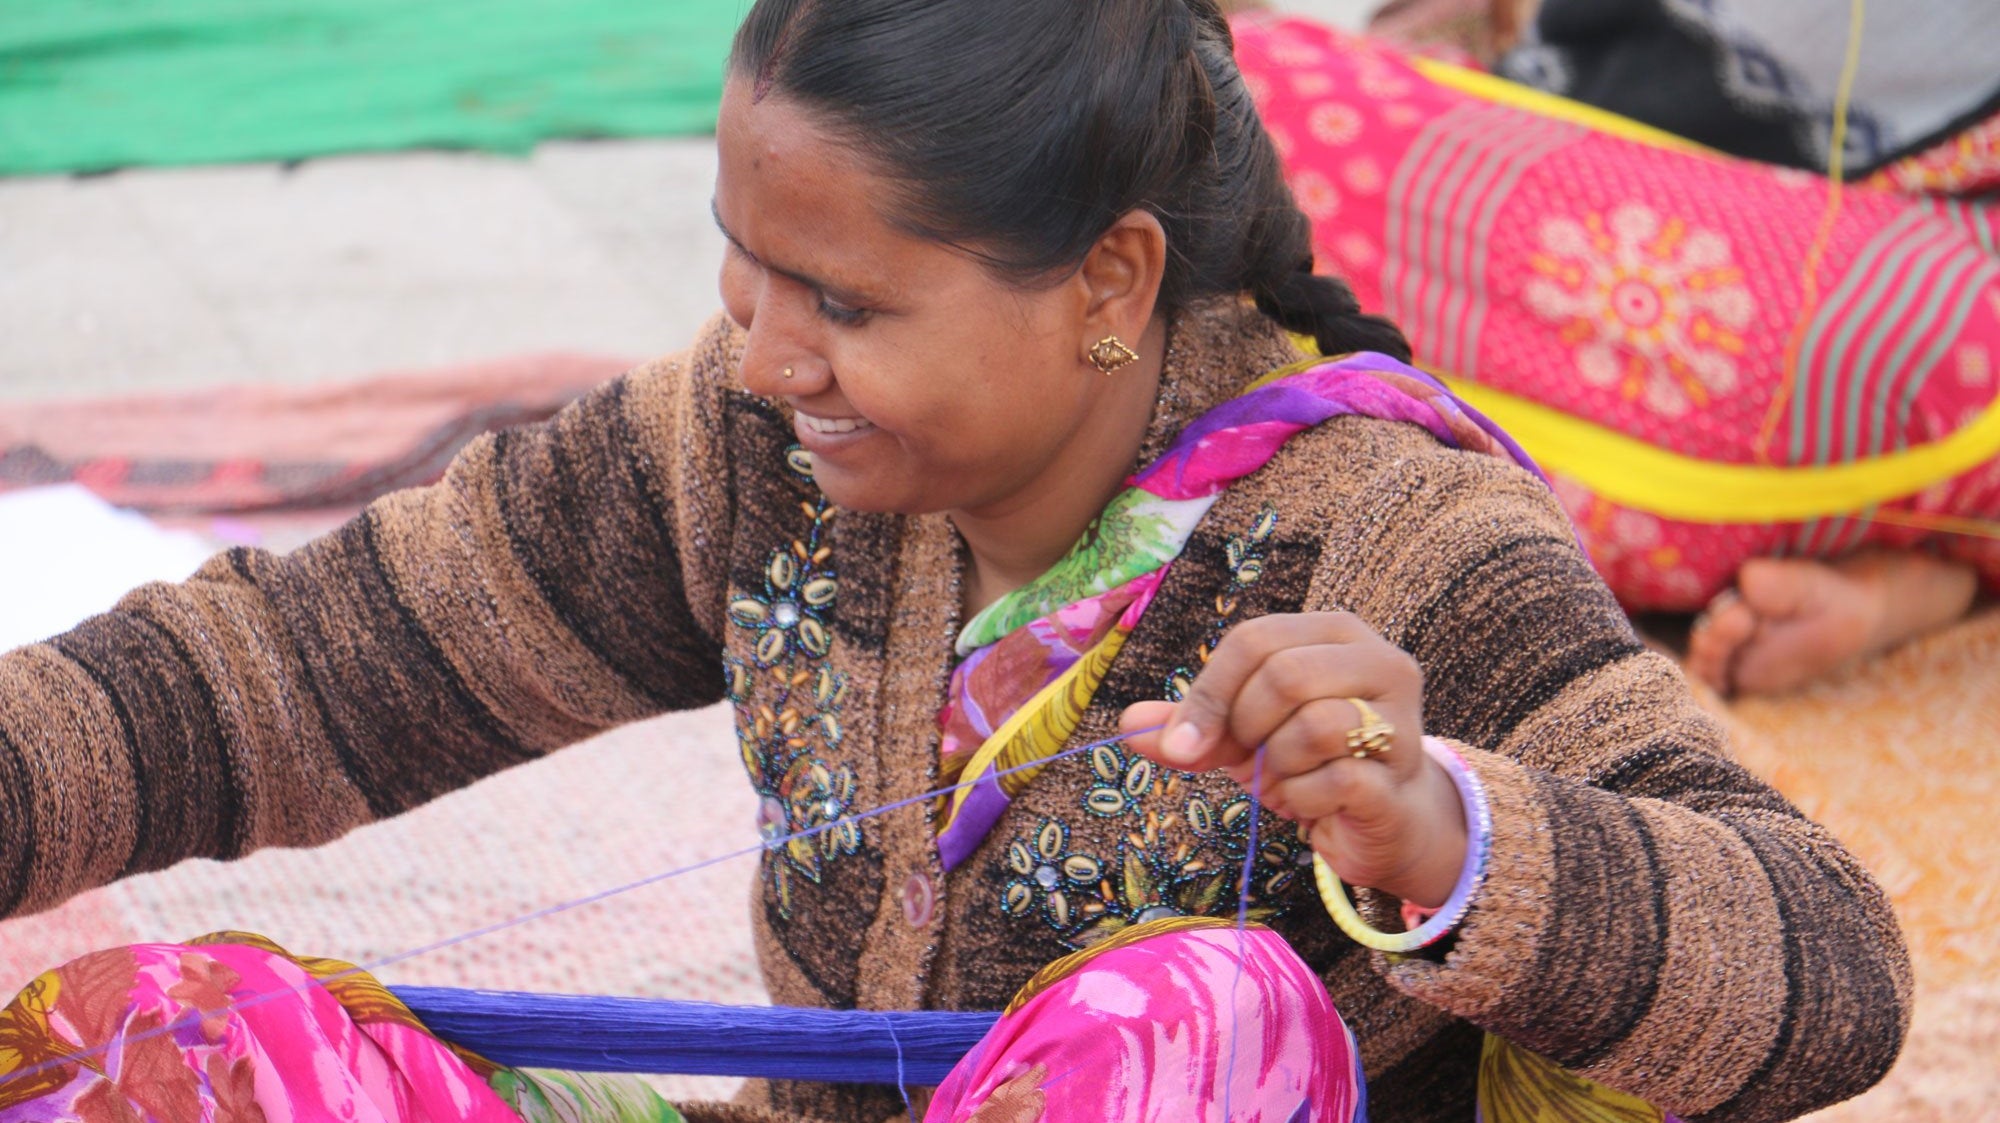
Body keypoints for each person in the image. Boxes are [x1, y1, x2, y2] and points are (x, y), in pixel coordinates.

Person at [0, 2, 1910, 1121]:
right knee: (177, 1045)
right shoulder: (752, 448)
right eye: (745, 270)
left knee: (1196, 1017)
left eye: (842, 299)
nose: (763, 354)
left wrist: (1452, 835)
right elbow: (303, 665)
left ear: (1111, 282)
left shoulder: (1390, 535)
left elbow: (1830, 967)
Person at [1230, 7, 2000, 697]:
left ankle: (1922, 560)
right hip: (1546, 153)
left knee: (1233, 99)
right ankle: (1910, 557)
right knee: (1229, 88)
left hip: (1829, 288)